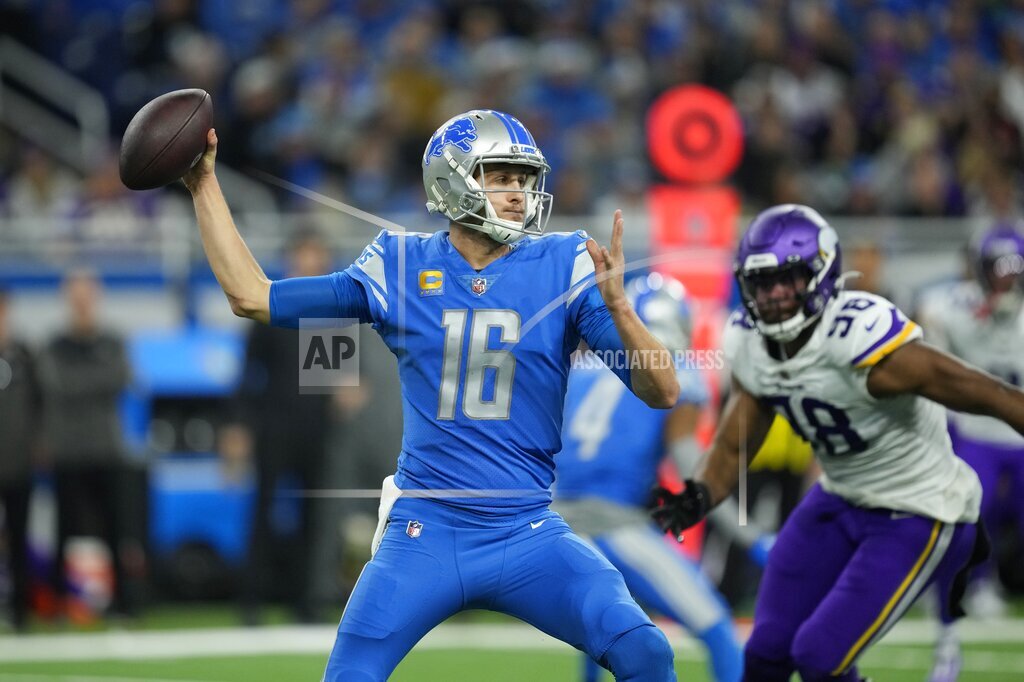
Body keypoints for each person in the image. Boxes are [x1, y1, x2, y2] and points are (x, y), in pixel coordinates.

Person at [182, 109, 681, 681]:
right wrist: (203, 183)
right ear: (453, 179)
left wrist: (619, 307)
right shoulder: (399, 264)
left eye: (523, 179)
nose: (518, 192)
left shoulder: (564, 263)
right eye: (500, 176)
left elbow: (662, 389)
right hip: (427, 530)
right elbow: (253, 296)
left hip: (527, 529)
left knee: (647, 652)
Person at [651, 204, 1021, 682]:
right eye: (764, 282)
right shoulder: (749, 341)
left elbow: (984, 391)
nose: (776, 294)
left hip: (916, 506)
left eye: (789, 278)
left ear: (822, 275)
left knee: (820, 658)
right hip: (840, 495)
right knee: (764, 655)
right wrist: (700, 494)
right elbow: (735, 442)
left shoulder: (856, 337)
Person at [554, 273, 773, 682]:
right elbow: (695, 469)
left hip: (557, 524)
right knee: (717, 628)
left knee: (602, 629)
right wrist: (752, 538)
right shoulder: (676, 369)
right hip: (615, 526)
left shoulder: (587, 367)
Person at [917, 223, 1024, 681]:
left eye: (1014, 272)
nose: (1006, 282)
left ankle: (992, 582)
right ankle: (955, 608)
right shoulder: (950, 306)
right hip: (975, 431)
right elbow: (931, 365)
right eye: (998, 272)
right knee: (961, 524)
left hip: (1019, 435)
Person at [228, 227, 337, 625]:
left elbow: (333, 386)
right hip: (273, 427)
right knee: (262, 514)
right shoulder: (270, 306)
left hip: (316, 431)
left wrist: (346, 392)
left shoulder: (330, 312)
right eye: (305, 254)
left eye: (317, 255)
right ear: (293, 260)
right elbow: (247, 373)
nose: (311, 263)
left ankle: (305, 602)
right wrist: (238, 427)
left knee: (312, 517)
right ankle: (251, 601)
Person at [38, 270, 136, 619]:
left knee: (115, 528)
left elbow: (121, 378)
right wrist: (95, 379)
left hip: (105, 448)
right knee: (63, 528)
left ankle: (123, 603)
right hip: (68, 450)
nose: (81, 301)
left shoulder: (111, 340)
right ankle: (60, 603)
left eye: (86, 294)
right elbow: (57, 384)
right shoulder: (54, 344)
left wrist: (82, 381)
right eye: (75, 294)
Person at [0, 288, 43, 631]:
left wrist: (39, 446)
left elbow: (42, 406)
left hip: (17, 465)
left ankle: (20, 614)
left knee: (18, 539)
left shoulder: (25, 355)